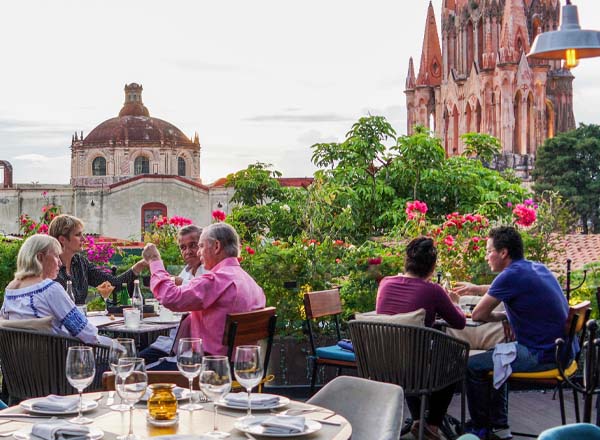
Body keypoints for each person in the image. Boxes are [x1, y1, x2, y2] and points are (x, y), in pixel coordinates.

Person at [454, 226, 570, 440]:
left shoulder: (509, 277)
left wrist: (498, 316)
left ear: (503, 253)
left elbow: (478, 315)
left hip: (542, 355)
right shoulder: (536, 268)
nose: (486, 256)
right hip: (564, 351)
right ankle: (499, 425)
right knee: (499, 354)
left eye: (489, 251)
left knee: (473, 366)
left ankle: (480, 428)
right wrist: (478, 289)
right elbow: (510, 287)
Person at [376, 237, 466, 440]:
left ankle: (418, 420)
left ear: (406, 262)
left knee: (407, 350)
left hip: (380, 364)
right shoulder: (433, 290)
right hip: (414, 367)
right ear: (432, 267)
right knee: (454, 360)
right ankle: (432, 425)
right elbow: (459, 322)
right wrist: (455, 302)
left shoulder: (385, 283)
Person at [142, 222, 266, 357]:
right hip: (245, 367)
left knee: (134, 368)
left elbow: (170, 297)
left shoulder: (217, 280)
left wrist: (154, 260)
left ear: (217, 246)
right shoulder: (252, 284)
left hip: (211, 368)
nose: (199, 252)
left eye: (200, 246)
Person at [0, 234, 109, 345]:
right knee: (120, 347)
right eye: (56, 256)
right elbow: (87, 333)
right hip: (59, 360)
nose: (60, 263)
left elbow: (4, 324)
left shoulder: (11, 290)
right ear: (40, 258)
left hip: (17, 361)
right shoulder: (50, 289)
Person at [139, 224, 206, 366]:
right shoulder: (187, 271)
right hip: (172, 343)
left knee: (130, 371)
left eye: (193, 245)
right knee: (134, 360)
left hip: (189, 353)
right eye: (183, 247)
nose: (188, 251)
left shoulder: (208, 275)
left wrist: (155, 260)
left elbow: (172, 298)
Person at [48, 214, 147, 305]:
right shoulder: (48, 267)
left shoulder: (81, 263)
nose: (84, 239)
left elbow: (114, 284)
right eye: (78, 235)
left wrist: (140, 266)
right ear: (62, 239)